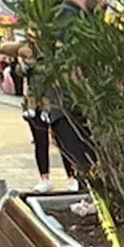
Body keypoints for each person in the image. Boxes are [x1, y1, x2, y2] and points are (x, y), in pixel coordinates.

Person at [48, 0, 109, 187]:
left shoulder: (67, 18)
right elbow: (72, 68)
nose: (105, 2)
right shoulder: (70, 20)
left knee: (93, 177)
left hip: (70, 112)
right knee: (95, 178)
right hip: (75, 112)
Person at [19, 46, 77, 193]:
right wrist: (24, 61)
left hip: (57, 102)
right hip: (36, 101)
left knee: (64, 141)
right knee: (40, 141)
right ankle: (44, 178)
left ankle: (72, 176)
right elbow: (16, 64)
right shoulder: (30, 48)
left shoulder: (57, 48)